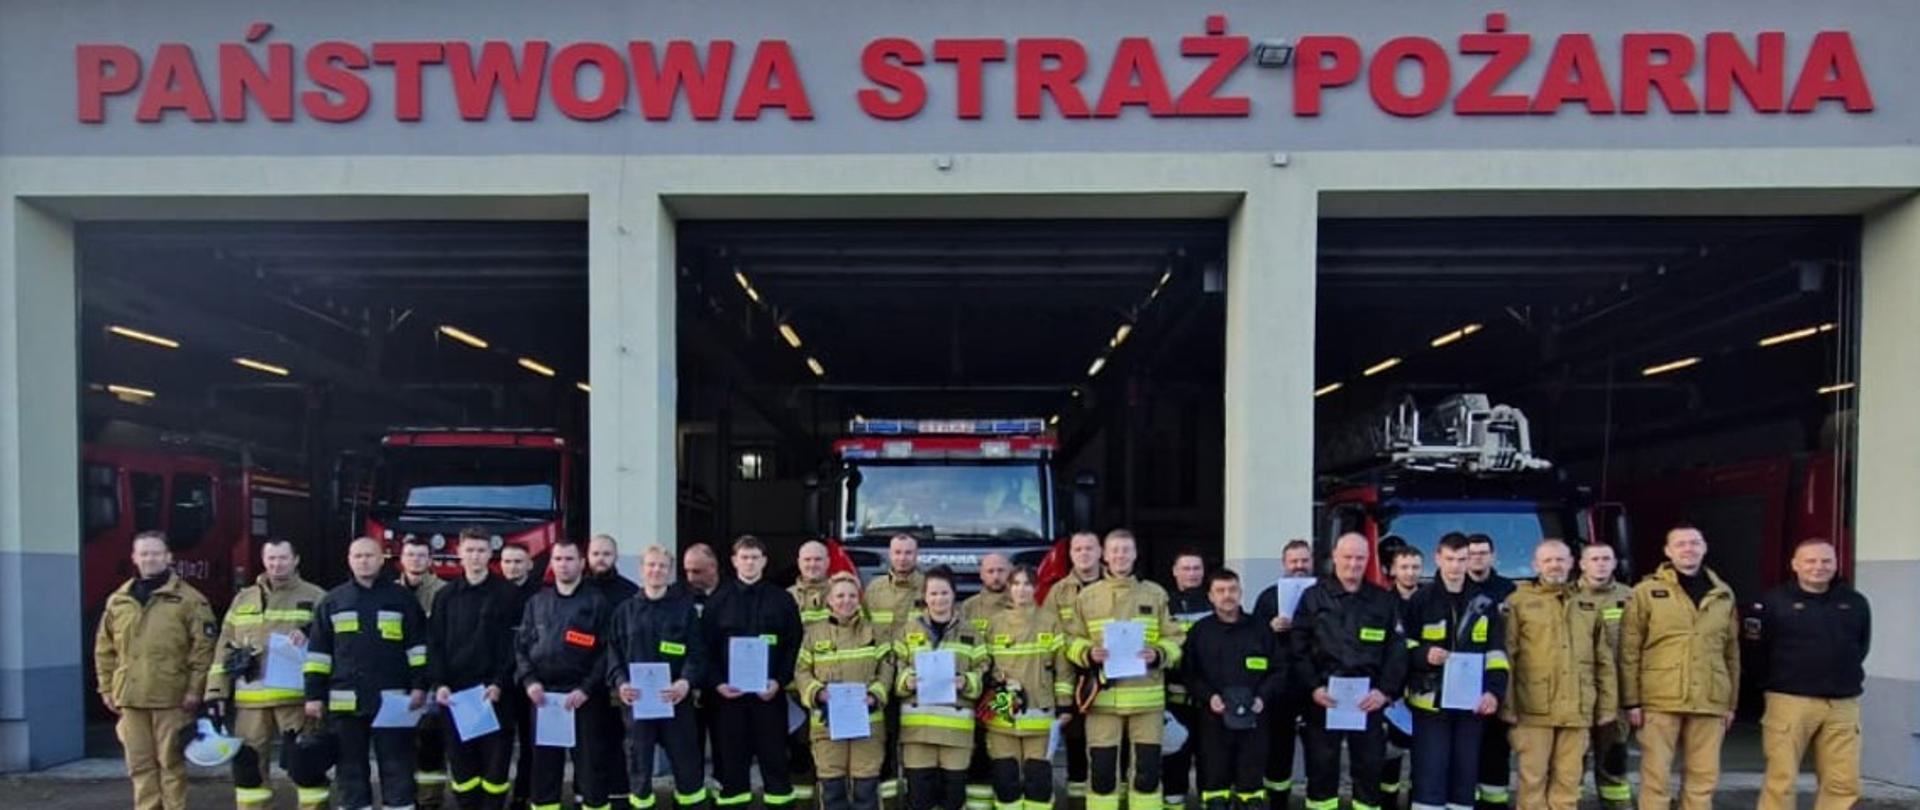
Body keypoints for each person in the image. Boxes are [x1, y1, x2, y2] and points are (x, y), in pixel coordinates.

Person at [303, 537, 431, 810]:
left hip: (394, 701)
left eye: (369, 556)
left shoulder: (402, 599)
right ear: (349, 560)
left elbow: (418, 648)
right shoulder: (333, 601)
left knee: (398, 767)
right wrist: (314, 695)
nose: (363, 561)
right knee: (350, 771)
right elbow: (318, 655)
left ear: (382, 559)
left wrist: (420, 685)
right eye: (358, 556)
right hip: (345, 702)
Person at [95, 531, 218, 810]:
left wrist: (194, 690)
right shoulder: (118, 600)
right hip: (130, 697)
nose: (150, 559)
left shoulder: (190, 600)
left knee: (171, 764)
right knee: (139, 766)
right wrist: (106, 688)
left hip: (171, 697)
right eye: (144, 553)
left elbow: (203, 650)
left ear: (168, 557)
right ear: (134, 558)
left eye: (156, 553)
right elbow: (104, 649)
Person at [1065, 529, 1186, 810]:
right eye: (1115, 550)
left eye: (1126, 550)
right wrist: (1087, 653)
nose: (1120, 556)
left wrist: (1158, 654)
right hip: (1102, 699)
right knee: (1102, 773)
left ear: (1135, 554)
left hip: (1147, 699)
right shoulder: (1087, 596)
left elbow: (1176, 637)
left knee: (1147, 773)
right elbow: (1070, 639)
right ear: (1105, 555)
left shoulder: (1155, 594)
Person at [1620, 525, 1740, 810]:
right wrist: (1632, 701)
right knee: (1656, 775)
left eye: (1694, 543)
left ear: (1704, 548)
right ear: (1668, 551)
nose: (1688, 549)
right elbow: (1629, 649)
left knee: (1703, 776)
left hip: (1710, 698)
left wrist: (1730, 704)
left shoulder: (1723, 594)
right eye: (1681, 544)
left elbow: (1731, 653)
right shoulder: (1646, 592)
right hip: (1659, 699)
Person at [204, 537, 329, 810]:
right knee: (248, 770)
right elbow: (224, 646)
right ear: (263, 560)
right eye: (271, 558)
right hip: (250, 702)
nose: (277, 564)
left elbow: (331, 643)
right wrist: (215, 691)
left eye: (283, 558)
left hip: (296, 701)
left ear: (296, 560)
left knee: (306, 767)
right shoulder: (243, 598)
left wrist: (310, 634)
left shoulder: (316, 596)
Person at [1750, 538, 1871, 810]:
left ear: (1836, 564)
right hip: (1789, 702)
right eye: (1810, 561)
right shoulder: (1774, 602)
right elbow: (1757, 652)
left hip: (1842, 705)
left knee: (1843, 782)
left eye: (1826, 561)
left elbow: (1861, 647)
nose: (1819, 567)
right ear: (1795, 564)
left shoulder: (1855, 602)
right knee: (1781, 780)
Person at [1292, 532, 1407, 810]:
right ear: (1335, 557)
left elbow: (1397, 651)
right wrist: (1313, 688)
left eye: (1360, 558)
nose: (1353, 564)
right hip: (1324, 699)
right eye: (1347, 557)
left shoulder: (1383, 600)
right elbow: (1298, 648)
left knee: (1369, 771)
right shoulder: (1313, 598)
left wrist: (1384, 692)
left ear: (1368, 559)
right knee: (1321, 771)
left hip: (1368, 701)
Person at [1505, 539, 1617, 810]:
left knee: (1568, 782)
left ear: (1571, 563)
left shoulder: (1587, 602)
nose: (1554, 565)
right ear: (1536, 565)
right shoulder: (1518, 602)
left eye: (1560, 560)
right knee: (1532, 781)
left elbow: (1603, 660)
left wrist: (1607, 706)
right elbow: (1508, 656)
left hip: (1577, 708)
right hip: (1533, 707)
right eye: (1548, 560)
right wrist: (1507, 706)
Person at [1405, 533, 1508, 810]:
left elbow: (1497, 654)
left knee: (1464, 780)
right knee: (1430, 777)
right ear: (1437, 558)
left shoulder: (1484, 604)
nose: (1455, 566)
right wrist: (1424, 654)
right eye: (1450, 559)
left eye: (1462, 559)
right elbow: (1402, 646)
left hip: (1470, 705)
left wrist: (1494, 692)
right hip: (1431, 704)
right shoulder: (1421, 600)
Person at [607, 545, 712, 810]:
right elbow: (612, 654)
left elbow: (697, 653)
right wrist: (621, 683)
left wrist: (685, 682)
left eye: (662, 566)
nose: (656, 570)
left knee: (687, 768)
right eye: (651, 565)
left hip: (676, 702)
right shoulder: (624, 612)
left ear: (670, 571)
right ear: (641, 569)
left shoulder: (684, 610)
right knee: (639, 770)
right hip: (638, 704)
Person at [705, 535, 806, 809]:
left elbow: (794, 644)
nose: (749, 563)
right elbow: (705, 648)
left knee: (775, 762)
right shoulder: (718, 601)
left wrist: (779, 681)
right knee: (731, 764)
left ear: (764, 561)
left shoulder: (782, 600)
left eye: (754, 557)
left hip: (769, 697)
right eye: (744, 557)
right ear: (734, 561)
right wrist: (718, 683)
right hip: (729, 699)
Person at [516, 538, 617, 810]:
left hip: (583, 698)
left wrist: (586, 688)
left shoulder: (597, 603)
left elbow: (607, 651)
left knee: (591, 770)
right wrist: (530, 682)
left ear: (582, 563)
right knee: (544, 773)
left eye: (570, 559)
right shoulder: (537, 602)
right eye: (558, 559)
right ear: (551, 563)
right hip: (544, 698)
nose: (563, 564)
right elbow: (521, 648)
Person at [430, 528, 522, 810]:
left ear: (490, 554)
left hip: (494, 695)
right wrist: (440, 683)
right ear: (459, 552)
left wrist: (499, 683)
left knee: (495, 769)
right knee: (463, 769)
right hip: (456, 696)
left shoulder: (508, 594)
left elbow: (515, 646)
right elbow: (435, 644)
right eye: (469, 550)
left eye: (481, 550)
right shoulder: (445, 596)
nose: (475, 556)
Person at [1182, 568, 1284, 810]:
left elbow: (1280, 669)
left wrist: (1262, 697)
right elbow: (1189, 673)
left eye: (1232, 590)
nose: (1227, 595)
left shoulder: (1261, 629)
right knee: (1215, 789)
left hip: (1254, 719)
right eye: (1220, 590)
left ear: (1240, 592)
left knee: (1251, 791)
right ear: (1210, 596)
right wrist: (1209, 697)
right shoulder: (1200, 632)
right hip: (1213, 720)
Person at [795, 573, 894, 810]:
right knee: (832, 789)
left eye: (851, 596)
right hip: (827, 724)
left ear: (859, 599)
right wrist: (816, 692)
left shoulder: (874, 632)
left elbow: (887, 667)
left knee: (866, 788)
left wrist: (875, 695)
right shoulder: (814, 634)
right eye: (840, 596)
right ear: (829, 600)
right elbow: (801, 670)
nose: (846, 601)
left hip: (868, 722)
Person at [895, 566, 990, 810]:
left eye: (944, 593)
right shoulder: (908, 630)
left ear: (954, 595)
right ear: (925, 597)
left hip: (956, 733)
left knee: (953, 799)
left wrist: (967, 681)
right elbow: (896, 667)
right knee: (920, 800)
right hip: (918, 732)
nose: (939, 599)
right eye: (934, 593)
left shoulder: (971, 632)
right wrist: (907, 680)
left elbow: (984, 669)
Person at [982, 566, 1067, 810]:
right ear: (1009, 588)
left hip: (1040, 712)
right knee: (1005, 780)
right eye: (1016, 584)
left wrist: (1064, 705)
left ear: (1036, 588)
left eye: (1027, 584)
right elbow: (984, 666)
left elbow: (1062, 669)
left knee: (1038, 782)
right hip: (1002, 712)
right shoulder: (995, 623)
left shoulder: (1050, 622)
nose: (1022, 589)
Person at [1249, 538, 1314, 804]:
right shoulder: (1268, 597)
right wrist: (1270, 628)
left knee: (1320, 749)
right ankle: (1278, 802)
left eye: (1304, 560)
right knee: (1279, 748)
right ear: (1284, 564)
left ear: (1312, 561)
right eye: (1294, 561)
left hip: (1316, 684)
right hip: (1281, 687)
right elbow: (1253, 640)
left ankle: (1318, 797)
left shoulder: (1325, 594)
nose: (1299, 566)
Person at [1043, 530, 1105, 799]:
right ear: (1070, 554)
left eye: (1089, 548)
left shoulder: (1115, 586)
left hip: (1112, 677)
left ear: (1100, 552)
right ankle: (1078, 801)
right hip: (1073, 676)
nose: (1084, 554)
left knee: (1111, 749)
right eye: (1078, 549)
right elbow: (1050, 636)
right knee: (1076, 747)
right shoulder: (1058, 592)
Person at [867, 532, 926, 800]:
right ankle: (889, 801)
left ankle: (916, 800)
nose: (902, 558)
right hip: (882, 677)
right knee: (884, 742)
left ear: (917, 554)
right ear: (890, 555)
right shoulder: (874, 589)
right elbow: (864, 630)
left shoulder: (928, 587)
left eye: (908, 552)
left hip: (918, 678)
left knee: (917, 744)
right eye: (898, 552)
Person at [585, 533, 642, 808]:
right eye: (596, 554)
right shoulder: (579, 589)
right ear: (587, 556)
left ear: (616, 557)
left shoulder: (630, 592)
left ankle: (620, 797)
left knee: (622, 743)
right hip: (587, 682)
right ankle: (588, 797)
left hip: (621, 682)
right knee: (591, 745)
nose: (601, 559)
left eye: (606, 554)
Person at [1575, 543, 1632, 809]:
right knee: (1573, 758)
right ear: (1582, 564)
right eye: (1594, 559)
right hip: (1578, 691)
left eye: (1606, 559)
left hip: (1617, 693)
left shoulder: (1631, 598)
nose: (1600, 564)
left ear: (1615, 563)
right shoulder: (1567, 597)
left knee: (1614, 758)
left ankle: (1617, 805)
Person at [958, 552, 1015, 810]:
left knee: (1003, 746)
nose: (996, 576)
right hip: (976, 688)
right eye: (990, 571)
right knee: (977, 747)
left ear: (1009, 573)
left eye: (1001, 570)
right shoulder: (968, 608)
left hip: (1006, 690)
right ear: (981, 574)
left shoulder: (1019, 603)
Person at [400, 535, 453, 807]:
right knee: (399, 744)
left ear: (431, 560)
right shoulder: (389, 592)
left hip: (432, 679)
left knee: (431, 743)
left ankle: (430, 801)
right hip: (398, 679)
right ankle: (403, 797)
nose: (416, 560)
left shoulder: (445, 593)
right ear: (401, 558)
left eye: (421, 555)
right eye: (410, 555)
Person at [1462, 533, 1514, 810]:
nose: (1477, 558)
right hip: (1462, 683)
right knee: (1465, 750)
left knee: (1496, 748)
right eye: (1471, 554)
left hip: (1496, 680)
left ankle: (1495, 804)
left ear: (1493, 556)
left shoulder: (1509, 590)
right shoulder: (1456, 588)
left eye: (1483, 553)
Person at [1164, 549, 1212, 810]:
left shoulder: (1214, 601)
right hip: (1176, 699)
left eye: (1196, 568)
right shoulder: (1163, 604)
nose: (1192, 574)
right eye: (1186, 568)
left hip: (1209, 701)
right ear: (1174, 571)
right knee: (1174, 759)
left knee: (1211, 760)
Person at [790, 540, 836, 801]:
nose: (812, 564)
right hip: (794, 690)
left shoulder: (842, 593)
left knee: (830, 754)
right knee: (798, 753)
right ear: (798, 563)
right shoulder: (786, 597)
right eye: (807, 559)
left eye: (818, 559)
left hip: (831, 690)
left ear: (828, 562)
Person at [497, 542, 541, 810]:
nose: (512, 567)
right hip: (499, 681)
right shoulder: (492, 594)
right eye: (507, 561)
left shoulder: (540, 597)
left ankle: (523, 795)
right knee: (499, 742)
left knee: (530, 741)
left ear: (529, 564)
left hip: (529, 680)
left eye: (518, 561)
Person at [1380, 543, 1424, 808]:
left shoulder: (1431, 602)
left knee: (1424, 761)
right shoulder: (1383, 603)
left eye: (1415, 567)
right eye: (1404, 567)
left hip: (1424, 692)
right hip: (1391, 695)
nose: (1410, 572)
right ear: (1393, 570)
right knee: (1389, 761)